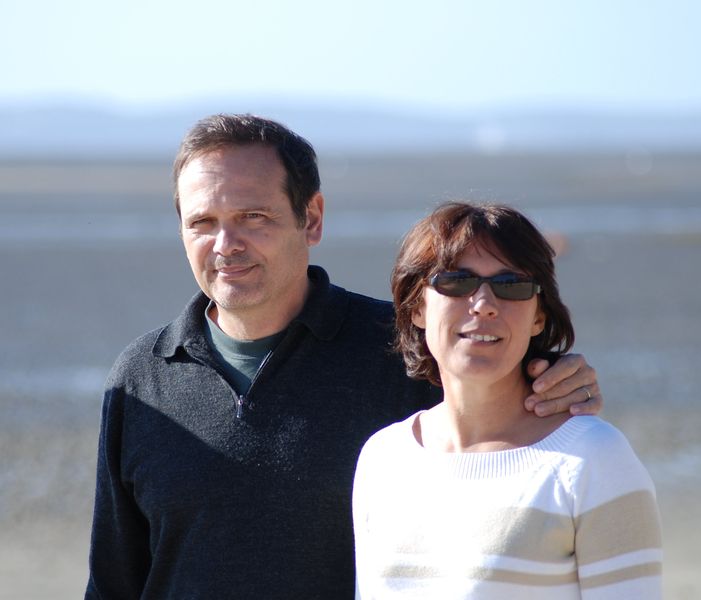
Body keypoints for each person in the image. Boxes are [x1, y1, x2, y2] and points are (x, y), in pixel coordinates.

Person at [86, 114, 604, 600]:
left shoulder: (407, 350)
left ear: (311, 218)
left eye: (253, 217)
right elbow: (113, 582)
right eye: (203, 222)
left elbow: (523, 444)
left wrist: (554, 379)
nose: (226, 244)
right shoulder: (141, 378)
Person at [353, 202, 662, 599]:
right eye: (457, 282)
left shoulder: (592, 460)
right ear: (417, 308)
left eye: (511, 285)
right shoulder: (383, 458)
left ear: (539, 317)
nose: (483, 304)